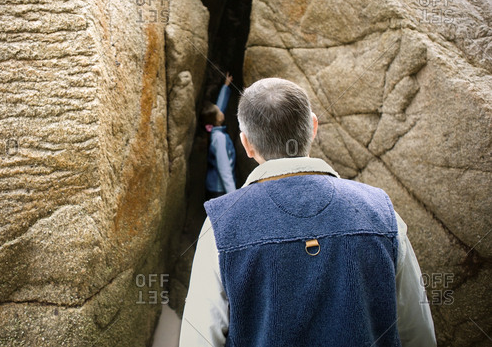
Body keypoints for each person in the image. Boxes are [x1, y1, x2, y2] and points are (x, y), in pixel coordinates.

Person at [180, 78, 436, 347]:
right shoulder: (383, 214)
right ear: (313, 127)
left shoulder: (219, 225)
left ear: (246, 144)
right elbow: (419, 335)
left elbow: (198, 339)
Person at [201, 72, 236, 198]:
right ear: (218, 119)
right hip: (219, 190)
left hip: (214, 187)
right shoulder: (219, 138)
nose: (221, 110)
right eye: (218, 111)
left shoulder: (214, 130)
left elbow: (220, 106)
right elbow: (224, 168)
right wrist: (234, 196)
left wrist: (225, 86)